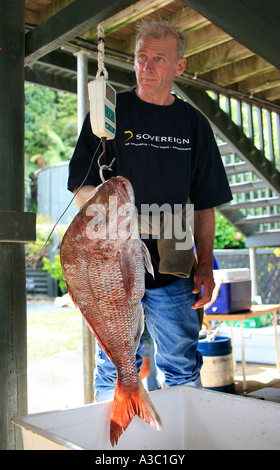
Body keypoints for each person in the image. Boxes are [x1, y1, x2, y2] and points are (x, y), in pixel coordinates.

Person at [67, 19, 232, 401]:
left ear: (179, 67)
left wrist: (205, 263)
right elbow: (82, 185)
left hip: (173, 255)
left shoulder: (193, 124)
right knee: (114, 362)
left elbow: (205, 203)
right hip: (112, 261)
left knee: (181, 362)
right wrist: (114, 217)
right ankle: (109, 441)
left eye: (160, 59)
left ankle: (181, 437)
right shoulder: (108, 112)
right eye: (142, 57)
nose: (147, 66)